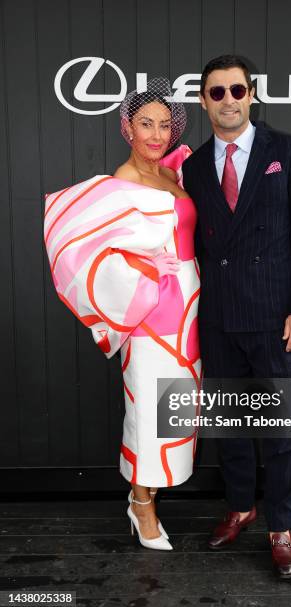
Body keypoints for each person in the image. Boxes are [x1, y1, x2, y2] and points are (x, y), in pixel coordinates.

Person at [182, 55, 291, 578]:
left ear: (252, 95)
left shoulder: (287, 152)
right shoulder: (195, 166)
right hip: (217, 319)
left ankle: (281, 526)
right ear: (204, 101)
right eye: (216, 93)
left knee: (281, 429)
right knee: (231, 427)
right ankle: (241, 506)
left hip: (273, 321)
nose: (228, 101)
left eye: (236, 90)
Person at [44, 78, 201, 551]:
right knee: (148, 406)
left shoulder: (171, 174)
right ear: (126, 127)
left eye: (163, 124)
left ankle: (150, 491)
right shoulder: (124, 181)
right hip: (154, 309)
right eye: (145, 123)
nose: (156, 134)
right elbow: (81, 247)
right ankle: (141, 503)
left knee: (176, 407)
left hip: (191, 306)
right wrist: (144, 265)